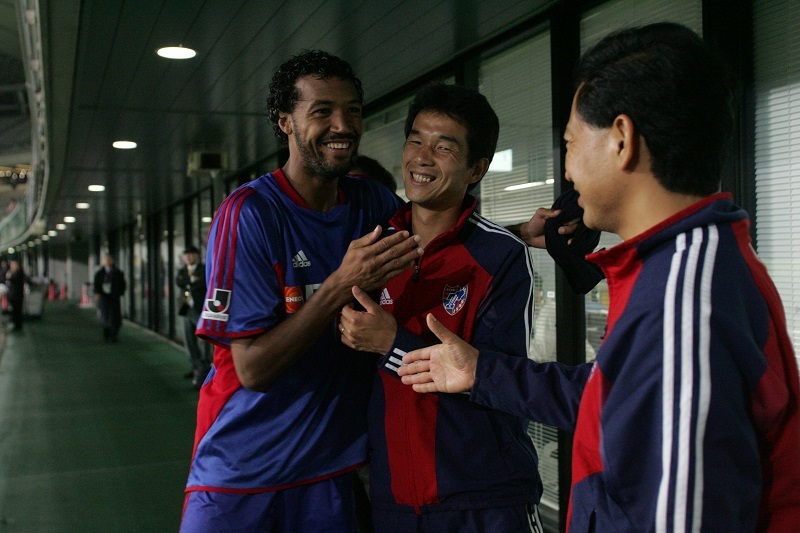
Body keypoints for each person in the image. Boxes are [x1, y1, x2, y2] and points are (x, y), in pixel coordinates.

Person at [397, 23, 800, 531]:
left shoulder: (682, 300)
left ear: (622, 141)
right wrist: (482, 372)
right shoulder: (674, 268)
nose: (567, 171)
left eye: (570, 142)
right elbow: (612, 397)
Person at [181, 50, 423, 532]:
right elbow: (252, 369)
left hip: (328, 474)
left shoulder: (370, 201)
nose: (342, 125)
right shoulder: (249, 214)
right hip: (239, 475)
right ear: (285, 122)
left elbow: (435, 243)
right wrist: (339, 284)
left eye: (353, 110)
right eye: (322, 111)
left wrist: (522, 232)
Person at [339, 83, 543, 532]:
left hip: (483, 501)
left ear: (477, 168)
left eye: (443, 147)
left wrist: (392, 344)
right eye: (416, 140)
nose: (422, 158)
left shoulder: (500, 257)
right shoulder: (375, 249)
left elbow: (501, 382)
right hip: (393, 500)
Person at [176, 246, 211, 389]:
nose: (189, 257)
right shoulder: (182, 271)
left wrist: (188, 282)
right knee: (188, 339)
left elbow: (202, 283)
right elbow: (179, 282)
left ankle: (204, 368)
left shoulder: (204, 269)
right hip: (186, 310)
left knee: (203, 340)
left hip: (200, 309)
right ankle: (195, 367)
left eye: (191, 255)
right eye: (186, 255)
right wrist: (192, 280)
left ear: (197, 256)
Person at [93, 254, 126, 342]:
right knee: (105, 316)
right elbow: (96, 285)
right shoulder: (99, 274)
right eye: (106, 260)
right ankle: (107, 332)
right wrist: (97, 293)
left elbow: (122, 284)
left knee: (115, 317)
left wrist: (120, 292)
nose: (107, 262)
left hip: (114, 297)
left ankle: (114, 334)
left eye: (109, 260)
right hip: (104, 298)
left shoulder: (118, 273)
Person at [6, 259, 26, 331]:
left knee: (17, 310)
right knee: (15, 310)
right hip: (14, 295)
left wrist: (9, 276)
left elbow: (11, 279)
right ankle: (16, 324)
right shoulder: (17, 272)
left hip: (17, 295)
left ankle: (18, 325)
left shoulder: (18, 272)